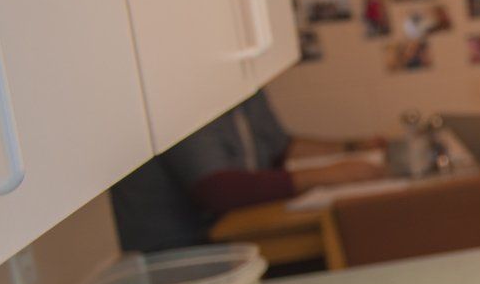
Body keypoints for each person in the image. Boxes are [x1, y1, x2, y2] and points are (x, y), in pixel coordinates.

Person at [109, 90, 386, 252]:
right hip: (182, 254)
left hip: (233, 239)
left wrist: (352, 147)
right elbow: (218, 190)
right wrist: (327, 175)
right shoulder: (178, 98)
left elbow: (279, 148)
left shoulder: (247, 91)